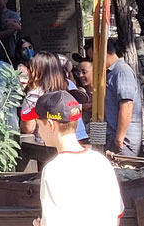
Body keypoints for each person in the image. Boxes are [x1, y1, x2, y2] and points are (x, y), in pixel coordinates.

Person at [29, 91, 123, 226]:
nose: (38, 131)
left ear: (50, 125)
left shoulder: (53, 170)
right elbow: (116, 215)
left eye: (39, 125)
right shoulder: (102, 162)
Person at [20, 53, 87, 143]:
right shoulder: (70, 84)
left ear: (36, 71)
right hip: (77, 139)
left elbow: (28, 128)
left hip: (47, 146)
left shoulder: (34, 94)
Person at [105, 38, 144, 155]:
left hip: (124, 143)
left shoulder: (121, 71)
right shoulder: (111, 72)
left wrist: (120, 138)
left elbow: (126, 105)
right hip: (112, 138)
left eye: (93, 58)